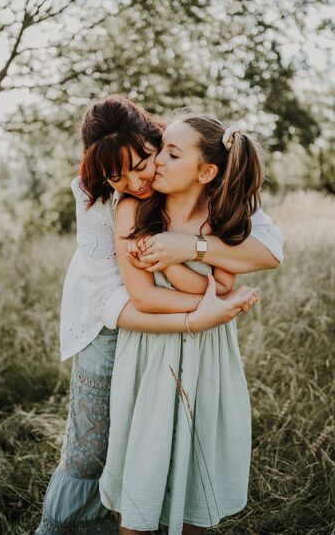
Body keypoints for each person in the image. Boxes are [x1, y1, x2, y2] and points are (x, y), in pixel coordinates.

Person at [36, 96, 283, 535]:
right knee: (94, 449)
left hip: (185, 335)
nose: (136, 181)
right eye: (118, 175)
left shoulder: (206, 179)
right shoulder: (106, 200)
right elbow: (124, 298)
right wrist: (204, 313)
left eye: (146, 160)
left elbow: (261, 253)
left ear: (159, 140)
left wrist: (189, 249)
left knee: (174, 437)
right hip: (106, 323)